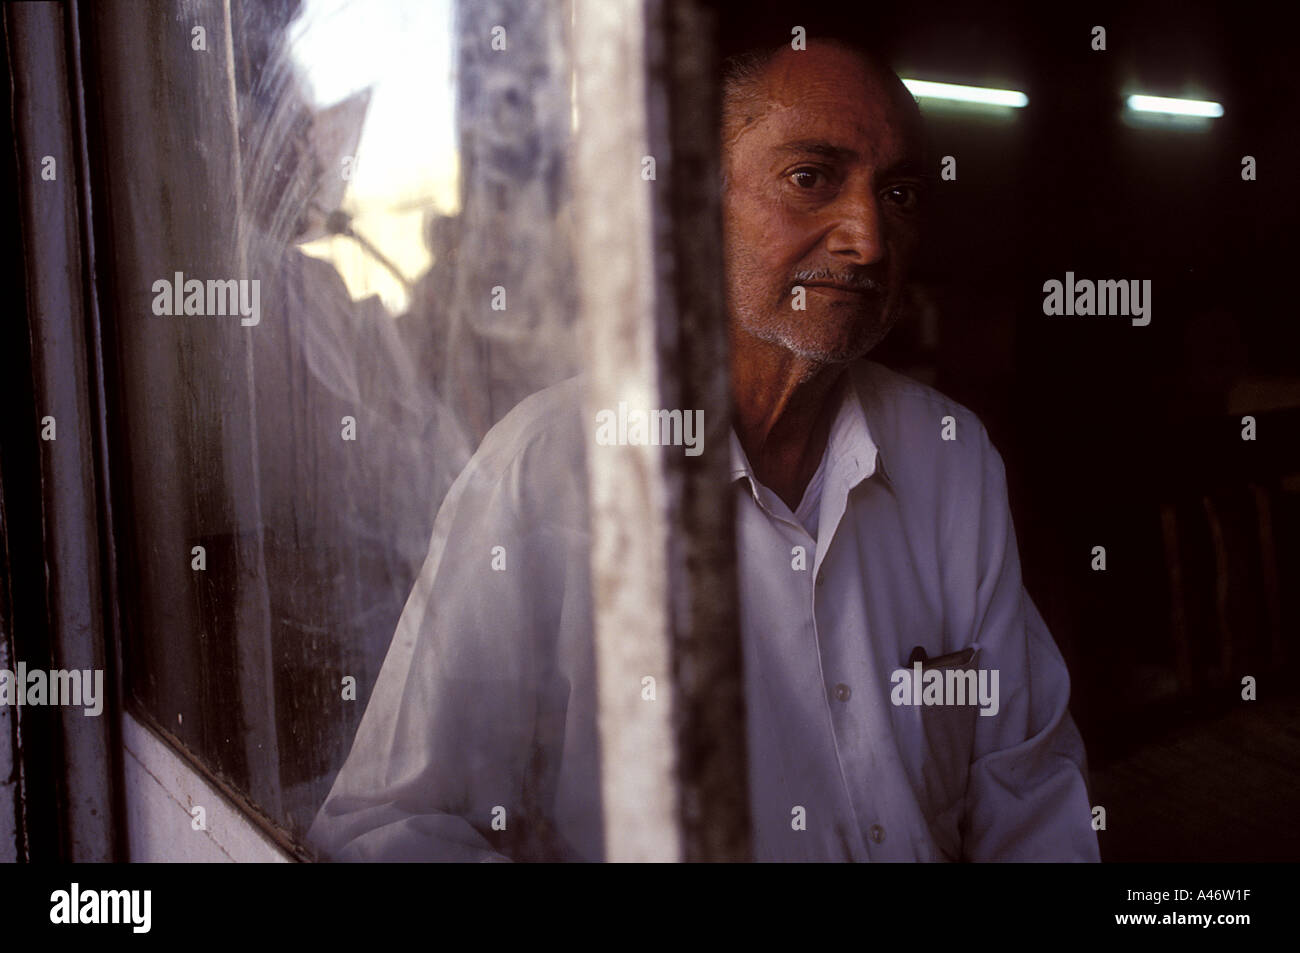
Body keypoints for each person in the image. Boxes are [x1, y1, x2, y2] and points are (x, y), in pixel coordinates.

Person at [307, 35, 1100, 862]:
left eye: (897, 193)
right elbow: (387, 829)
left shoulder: (950, 456)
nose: (867, 236)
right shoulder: (549, 470)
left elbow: (1028, 786)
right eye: (810, 178)